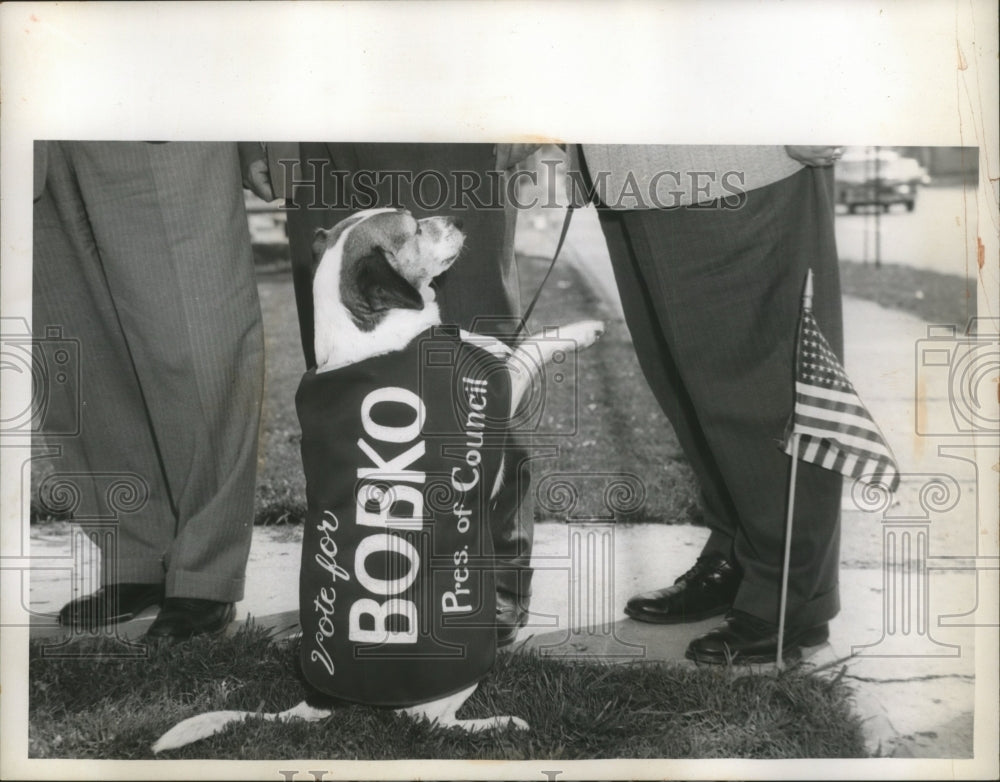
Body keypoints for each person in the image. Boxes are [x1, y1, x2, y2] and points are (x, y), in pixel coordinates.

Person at [252, 142, 539, 645]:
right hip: (316, 125)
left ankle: (492, 579)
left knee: (475, 371)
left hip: (441, 119)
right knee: (347, 376)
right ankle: (368, 583)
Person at [574, 144, 846, 664]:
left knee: (761, 384)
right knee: (689, 388)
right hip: (633, 164)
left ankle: (790, 593)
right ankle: (735, 561)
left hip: (740, 153)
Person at [33, 141, 266, 641]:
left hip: (154, 105)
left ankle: (206, 571)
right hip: (32, 132)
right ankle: (134, 557)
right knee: (75, 355)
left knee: (194, 340)